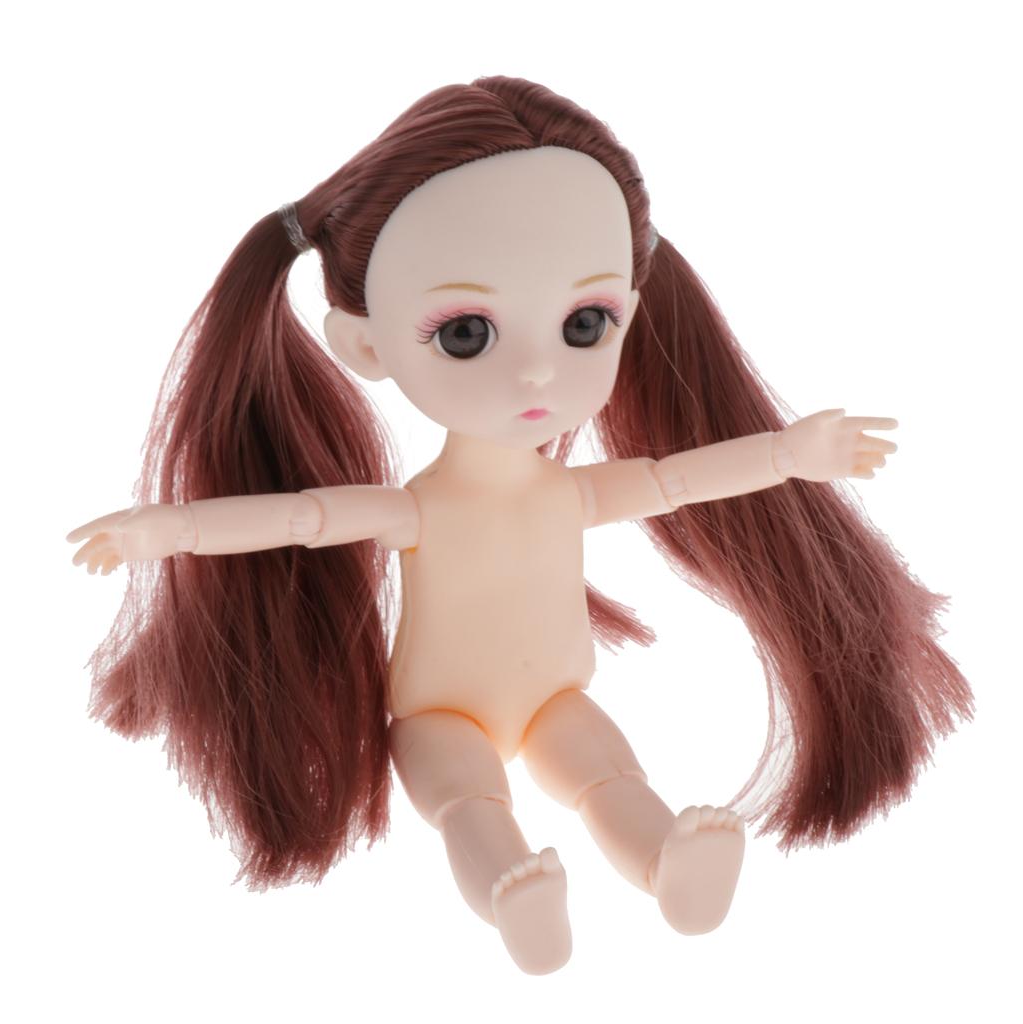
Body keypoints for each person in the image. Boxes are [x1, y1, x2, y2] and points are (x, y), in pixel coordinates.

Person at [66, 76, 972, 975]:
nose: (539, 372)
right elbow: (302, 519)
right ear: (367, 346)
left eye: (585, 323)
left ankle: (667, 867)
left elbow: (678, 481)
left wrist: (788, 453)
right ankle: (513, 897)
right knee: (471, 803)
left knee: (610, 776)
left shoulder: (566, 495)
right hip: (436, 714)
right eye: (467, 333)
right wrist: (170, 530)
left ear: (629, 315)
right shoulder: (420, 509)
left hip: (554, 699)